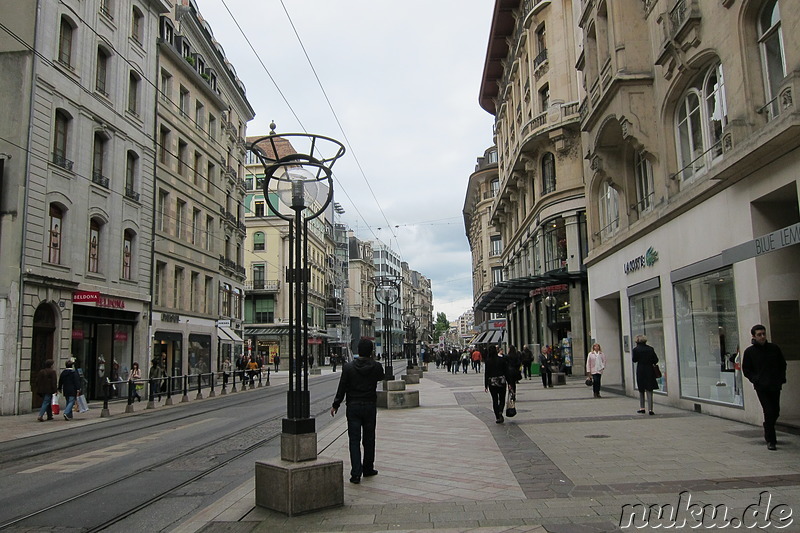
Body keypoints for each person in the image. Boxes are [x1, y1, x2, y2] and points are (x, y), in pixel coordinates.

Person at [330, 338, 386, 484]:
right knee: (369, 438)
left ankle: (356, 473)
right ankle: (368, 468)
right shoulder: (376, 366)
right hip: (369, 406)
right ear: (371, 351)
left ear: (358, 351)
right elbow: (381, 376)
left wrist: (336, 404)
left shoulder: (348, 368)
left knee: (354, 440)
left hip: (353, 407)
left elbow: (342, 387)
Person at [742, 324, 787, 451]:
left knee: (776, 411)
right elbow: (746, 369)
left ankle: (768, 426)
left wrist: (781, 378)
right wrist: (755, 379)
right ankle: (771, 440)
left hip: (774, 385)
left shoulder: (774, 348)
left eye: (763, 334)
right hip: (761, 387)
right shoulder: (750, 352)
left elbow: (782, 364)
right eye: (759, 335)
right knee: (768, 411)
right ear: (754, 336)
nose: (762, 337)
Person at [632, 335, 659, 415]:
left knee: (641, 389)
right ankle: (650, 409)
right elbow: (656, 360)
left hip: (641, 369)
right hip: (649, 370)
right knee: (649, 389)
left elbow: (634, 360)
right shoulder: (650, 349)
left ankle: (642, 408)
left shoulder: (636, 350)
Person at [484, 345, 509, 424]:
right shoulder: (501, 360)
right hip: (501, 381)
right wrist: (509, 382)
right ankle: (500, 411)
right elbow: (506, 371)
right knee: (502, 398)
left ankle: (497, 416)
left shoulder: (488, 361)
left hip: (492, 382)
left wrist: (486, 385)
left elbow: (486, 373)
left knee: (494, 399)